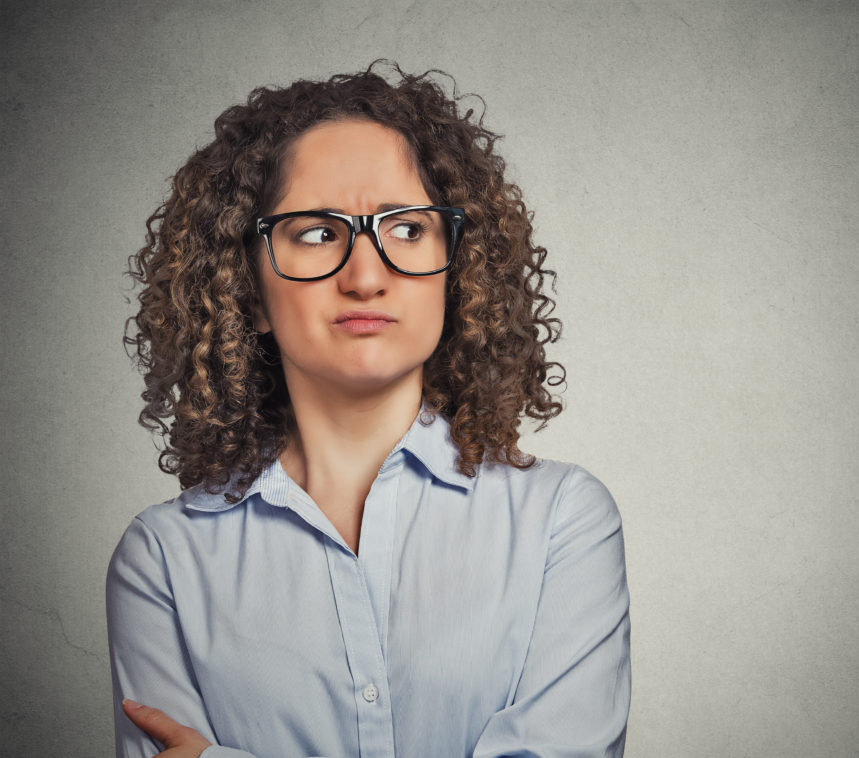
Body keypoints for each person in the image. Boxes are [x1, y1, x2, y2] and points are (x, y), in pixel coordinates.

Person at [108, 62, 630, 758]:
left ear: (458, 270)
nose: (365, 275)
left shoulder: (563, 522)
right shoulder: (162, 563)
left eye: (407, 230)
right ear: (249, 290)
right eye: (317, 233)